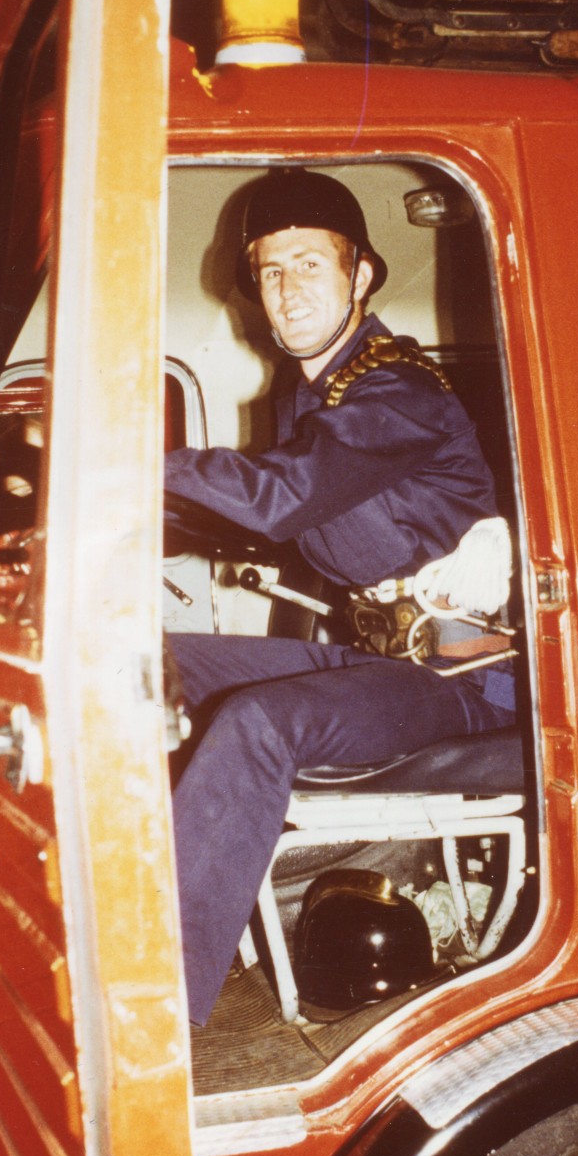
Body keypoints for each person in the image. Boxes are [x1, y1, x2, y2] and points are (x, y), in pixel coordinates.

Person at [164, 167, 515, 1026]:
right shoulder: (312, 395)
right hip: (377, 658)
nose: (286, 290)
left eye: (309, 265)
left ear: (359, 275)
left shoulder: (394, 387)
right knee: (151, 656)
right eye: (269, 271)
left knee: (258, 721)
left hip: (456, 679)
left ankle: (154, 1005)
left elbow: (283, 494)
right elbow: (286, 512)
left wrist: (119, 463)